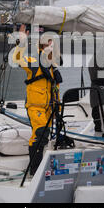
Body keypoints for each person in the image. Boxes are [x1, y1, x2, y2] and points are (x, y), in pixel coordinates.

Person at [13, 24, 62, 175]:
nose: (51, 45)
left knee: (45, 137)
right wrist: (21, 39)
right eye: (49, 42)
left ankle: (40, 168)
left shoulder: (53, 67)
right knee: (41, 134)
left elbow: (55, 90)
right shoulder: (34, 62)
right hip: (35, 107)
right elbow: (17, 59)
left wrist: (58, 111)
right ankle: (35, 172)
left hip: (49, 109)